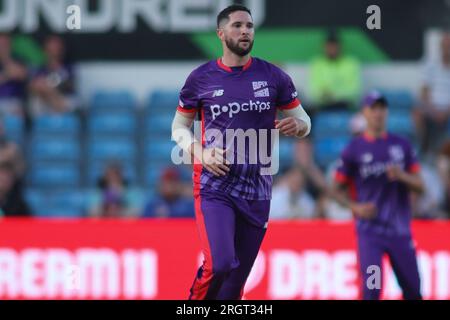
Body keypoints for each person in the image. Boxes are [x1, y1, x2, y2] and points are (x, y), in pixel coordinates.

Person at [171, 5, 311, 300]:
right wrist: (201, 153)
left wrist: (296, 126)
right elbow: (178, 128)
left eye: (249, 26)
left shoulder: (274, 77)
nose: (245, 30)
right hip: (215, 185)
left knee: (236, 283)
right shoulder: (201, 78)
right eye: (237, 25)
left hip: (257, 188)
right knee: (220, 264)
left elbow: (305, 122)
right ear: (221, 34)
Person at [330, 90, 424, 300]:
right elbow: (335, 189)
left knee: (413, 291)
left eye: (381, 108)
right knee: (371, 291)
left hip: (400, 233)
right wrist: (355, 207)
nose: (378, 113)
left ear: (387, 112)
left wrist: (402, 176)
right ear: (364, 112)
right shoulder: (353, 150)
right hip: (370, 234)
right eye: (373, 108)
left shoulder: (402, 146)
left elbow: (421, 186)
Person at [413, 31, 450, 157]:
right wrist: (434, 111)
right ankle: (423, 148)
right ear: (440, 47)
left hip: (448, 109)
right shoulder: (431, 64)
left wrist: (446, 112)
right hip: (432, 108)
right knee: (417, 113)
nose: (447, 49)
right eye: (445, 46)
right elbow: (424, 92)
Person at [308, 30, 361, 112]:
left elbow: (354, 91)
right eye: (329, 45)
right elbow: (314, 91)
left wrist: (332, 95)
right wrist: (333, 95)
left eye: (334, 45)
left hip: (345, 108)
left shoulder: (351, 63)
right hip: (323, 108)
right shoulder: (317, 63)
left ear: (340, 46)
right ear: (324, 46)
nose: (332, 48)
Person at [29, 35, 77, 116]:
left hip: (64, 99)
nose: (54, 51)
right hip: (44, 102)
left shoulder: (68, 68)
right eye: (51, 49)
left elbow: (70, 86)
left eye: (57, 48)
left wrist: (48, 87)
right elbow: (32, 86)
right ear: (45, 50)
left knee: (44, 88)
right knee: (36, 97)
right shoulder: (39, 68)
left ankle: (63, 116)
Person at [0, 33, 28, 117]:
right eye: (0, 45)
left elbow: (23, 75)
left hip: (14, 101)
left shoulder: (18, 60)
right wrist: (7, 74)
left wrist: (6, 60)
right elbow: (12, 73)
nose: (2, 48)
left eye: (5, 45)